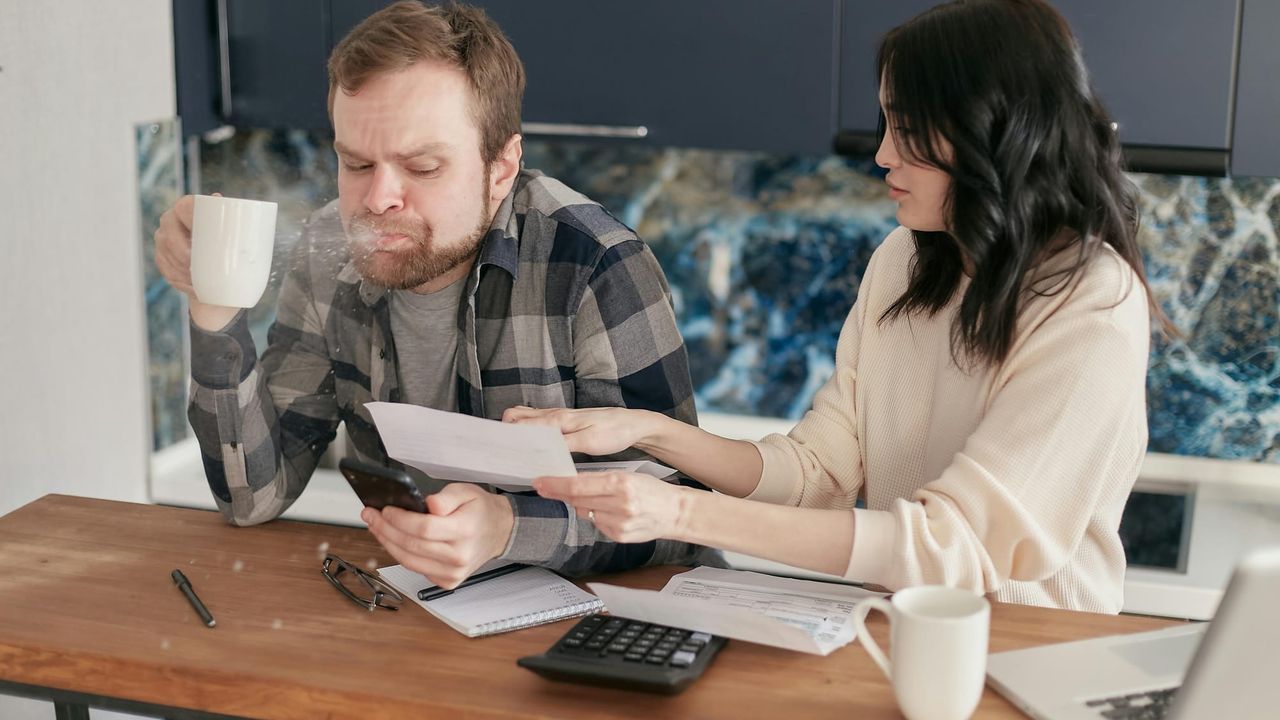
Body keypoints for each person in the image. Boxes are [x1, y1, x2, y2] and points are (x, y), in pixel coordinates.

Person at [507, 0, 1167, 614]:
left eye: (907, 131)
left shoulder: (1092, 304)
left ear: (992, 131)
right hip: (906, 632)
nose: (882, 155)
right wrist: (646, 432)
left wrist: (680, 514)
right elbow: (817, 470)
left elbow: (953, 544)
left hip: (1037, 653)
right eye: (886, 126)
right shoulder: (905, 260)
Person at [153, 1, 710, 589]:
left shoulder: (596, 264)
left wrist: (505, 527)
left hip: (603, 626)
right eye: (356, 162)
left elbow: (679, 518)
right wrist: (211, 304)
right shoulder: (329, 250)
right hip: (415, 613)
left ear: (502, 167)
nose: (377, 199)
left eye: (421, 167)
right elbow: (250, 496)